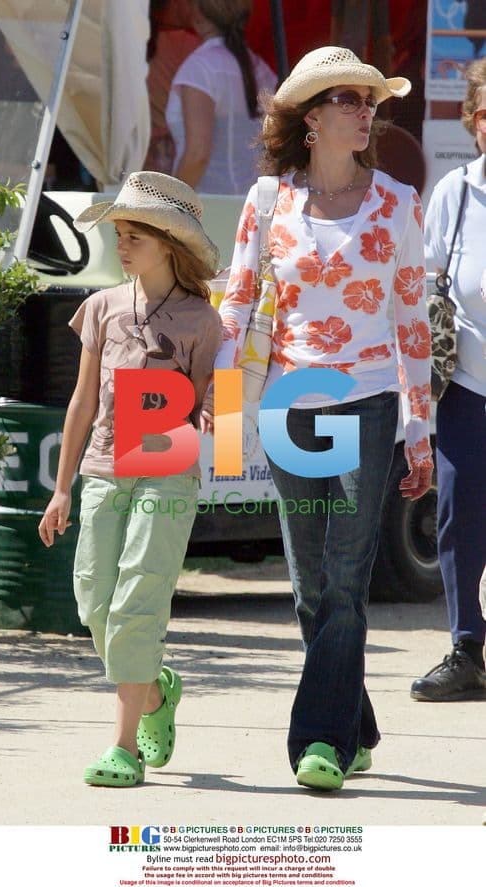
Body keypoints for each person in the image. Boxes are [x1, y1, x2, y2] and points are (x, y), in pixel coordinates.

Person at [202, 46, 432, 790]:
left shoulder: (398, 202)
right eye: (347, 99)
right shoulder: (268, 202)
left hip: (366, 401)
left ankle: (319, 741)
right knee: (308, 584)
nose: (366, 111)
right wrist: (226, 408)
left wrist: (419, 427)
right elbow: (236, 306)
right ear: (310, 118)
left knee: (345, 574)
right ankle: (356, 721)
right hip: (289, 402)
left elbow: (411, 320)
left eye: (371, 99)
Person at [38, 171, 222, 786]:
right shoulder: (100, 307)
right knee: (94, 601)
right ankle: (154, 692)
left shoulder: (202, 318)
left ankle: (123, 748)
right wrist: (62, 487)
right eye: (118, 234)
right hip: (100, 468)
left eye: (133, 236)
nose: (122, 245)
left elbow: (211, 405)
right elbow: (82, 402)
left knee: (139, 600)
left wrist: (219, 410)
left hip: (165, 466)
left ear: (167, 242)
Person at [410, 58, 486, 702]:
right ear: (474, 122)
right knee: (458, 518)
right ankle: (467, 650)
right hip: (467, 389)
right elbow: (426, 290)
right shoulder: (455, 193)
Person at [165, 0, 276, 194]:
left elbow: (198, 155)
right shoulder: (262, 70)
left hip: (206, 208)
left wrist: (169, 203)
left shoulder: (200, 68)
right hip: (253, 207)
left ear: (198, 13)